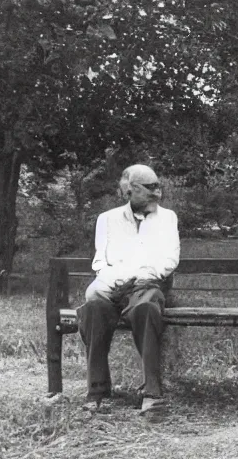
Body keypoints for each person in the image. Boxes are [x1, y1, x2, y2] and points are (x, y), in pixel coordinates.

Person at [77, 164, 180, 414]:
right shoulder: (107, 219)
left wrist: (141, 276)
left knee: (146, 309)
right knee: (92, 309)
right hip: (113, 284)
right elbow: (100, 259)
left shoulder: (168, 218)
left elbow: (170, 260)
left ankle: (152, 394)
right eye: (150, 188)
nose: (158, 193)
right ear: (129, 191)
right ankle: (97, 390)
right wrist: (111, 277)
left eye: (158, 186)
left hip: (147, 283)